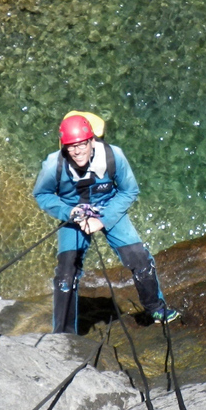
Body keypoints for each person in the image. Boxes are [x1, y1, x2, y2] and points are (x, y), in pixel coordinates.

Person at [33, 111, 179, 334]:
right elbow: (42, 194)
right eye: (71, 147)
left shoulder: (114, 156)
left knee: (139, 258)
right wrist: (69, 212)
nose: (77, 151)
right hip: (73, 212)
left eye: (81, 144)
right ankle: (63, 334)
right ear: (63, 147)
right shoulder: (54, 164)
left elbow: (129, 191)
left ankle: (156, 309)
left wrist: (102, 220)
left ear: (92, 141)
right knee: (66, 273)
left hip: (108, 207)